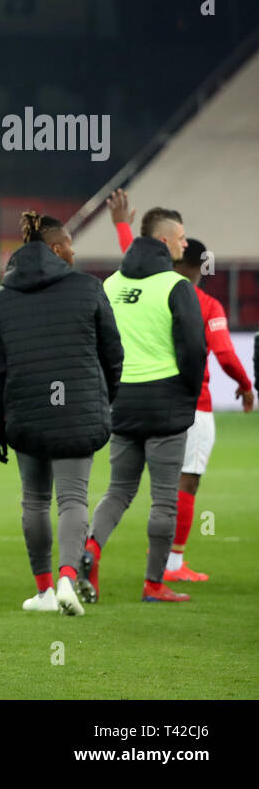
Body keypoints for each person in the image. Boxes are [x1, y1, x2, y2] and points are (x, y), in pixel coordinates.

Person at [105, 189, 254, 581]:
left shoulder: (142, 287)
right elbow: (222, 352)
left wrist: (123, 224)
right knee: (183, 485)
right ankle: (171, 566)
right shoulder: (202, 302)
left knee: (123, 487)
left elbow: (131, 255)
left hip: (134, 400)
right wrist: (245, 384)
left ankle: (93, 551)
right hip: (192, 404)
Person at [0, 212, 122, 615]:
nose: (75, 251)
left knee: (35, 500)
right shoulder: (88, 289)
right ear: (56, 248)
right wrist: (104, 399)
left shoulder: (0, 300)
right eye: (71, 244)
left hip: (25, 412)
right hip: (78, 409)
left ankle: (42, 591)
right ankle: (66, 578)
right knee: (73, 498)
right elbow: (113, 354)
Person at [82, 205, 206, 603]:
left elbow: (96, 345)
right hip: (166, 401)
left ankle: (90, 550)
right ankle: (154, 583)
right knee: (164, 497)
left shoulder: (111, 284)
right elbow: (192, 348)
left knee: (118, 490)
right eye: (182, 237)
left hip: (121, 402)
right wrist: (187, 395)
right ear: (165, 240)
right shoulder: (176, 286)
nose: (186, 244)